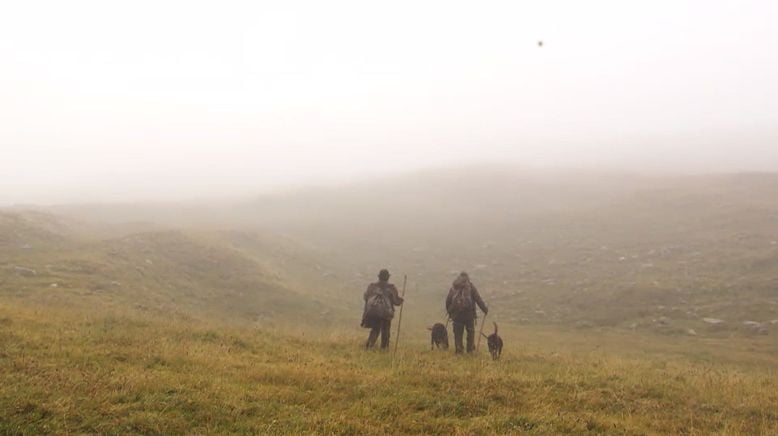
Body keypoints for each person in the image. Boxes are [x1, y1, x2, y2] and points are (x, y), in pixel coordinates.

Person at [446, 272, 488, 354]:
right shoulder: (471, 287)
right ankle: (470, 350)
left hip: (457, 315)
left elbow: (448, 300)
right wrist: (484, 309)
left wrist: (450, 312)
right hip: (469, 315)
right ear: (468, 278)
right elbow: (478, 299)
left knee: (458, 333)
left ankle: (459, 350)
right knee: (470, 332)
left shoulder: (454, 287)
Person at [361, 268, 404, 350]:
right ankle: (384, 349)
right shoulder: (391, 288)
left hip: (373, 312)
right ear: (388, 277)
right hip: (385, 313)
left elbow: (366, 297)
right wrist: (401, 300)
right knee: (386, 330)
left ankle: (368, 346)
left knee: (375, 329)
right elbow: (396, 302)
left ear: (379, 277)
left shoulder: (372, 286)